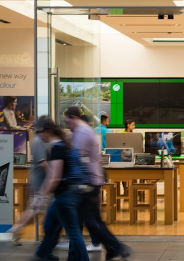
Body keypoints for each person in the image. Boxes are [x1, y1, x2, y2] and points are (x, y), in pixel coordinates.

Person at [63, 107, 129, 260]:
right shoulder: (85, 131)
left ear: (73, 117)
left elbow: (80, 159)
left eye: (67, 122)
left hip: (87, 183)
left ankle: (114, 246)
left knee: (88, 220)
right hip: (90, 181)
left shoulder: (82, 133)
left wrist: (78, 182)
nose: (67, 126)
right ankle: (112, 247)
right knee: (89, 219)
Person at [31, 117, 90, 261]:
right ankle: (43, 253)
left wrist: (41, 197)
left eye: (41, 132)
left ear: (49, 131)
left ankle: (83, 259)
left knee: (73, 233)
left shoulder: (57, 149)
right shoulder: (65, 145)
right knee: (50, 225)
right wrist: (41, 195)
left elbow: (55, 177)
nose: (39, 136)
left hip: (65, 196)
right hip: (67, 195)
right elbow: (52, 176)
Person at [9, 117, 53, 242]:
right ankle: (17, 228)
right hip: (41, 181)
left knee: (39, 208)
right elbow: (43, 163)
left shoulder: (41, 140)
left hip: (42, 180)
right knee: (36, 208)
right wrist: (53, 175)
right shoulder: (39, 141)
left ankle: (19, 228)